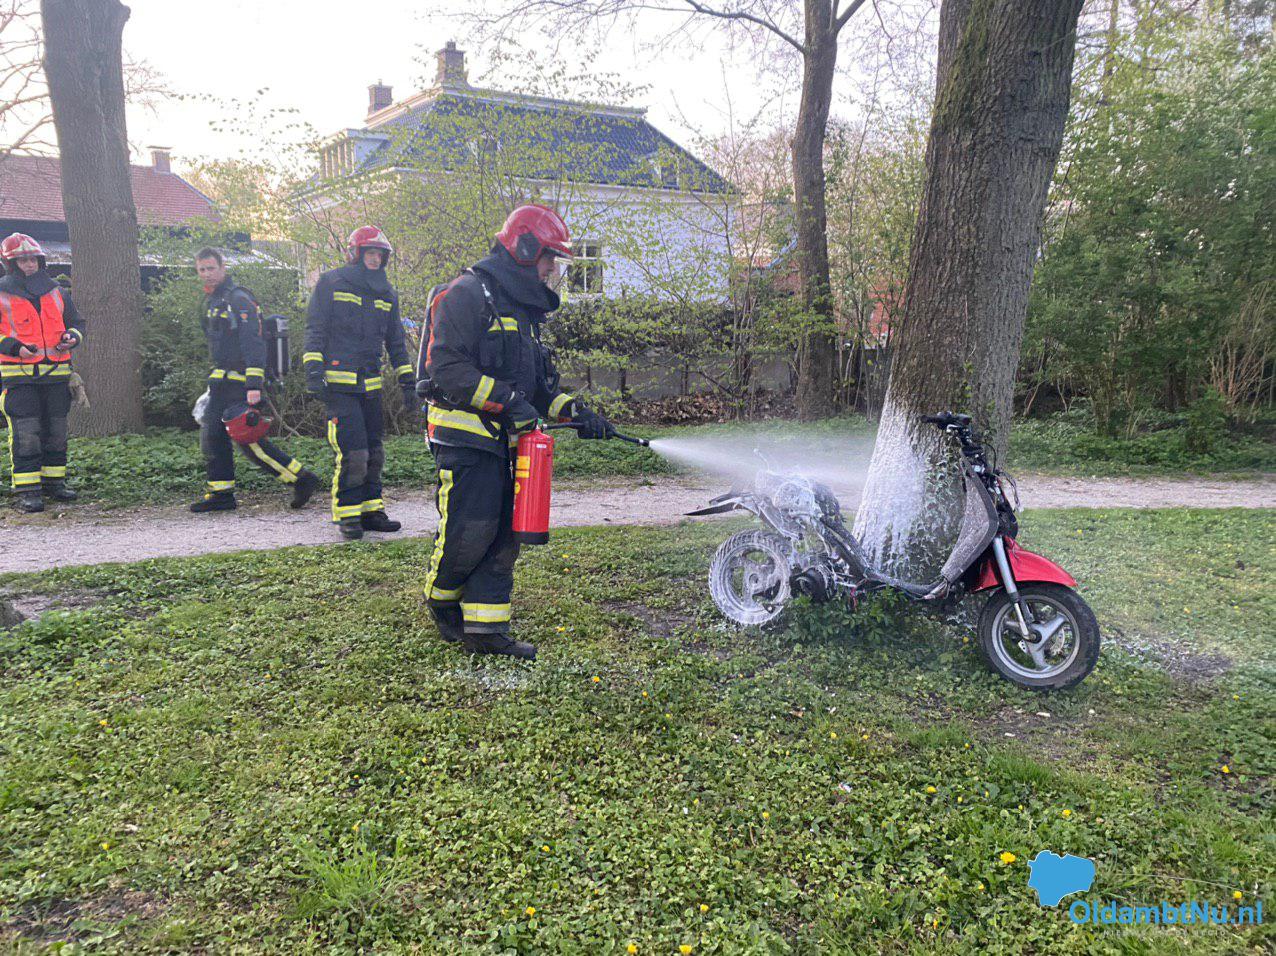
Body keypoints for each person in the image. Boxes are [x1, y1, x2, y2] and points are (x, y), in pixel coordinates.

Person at [417, 204, 614, 659]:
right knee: (472, 526)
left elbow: (537, 389)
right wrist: (509, 403)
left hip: (508, 441)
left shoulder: (523, 311)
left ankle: (486, 629)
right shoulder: (467, 294)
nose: (552, 270)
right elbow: (447, 369)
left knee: (507, 533)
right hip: (464, 434)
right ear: (525, 248)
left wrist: (577, 413)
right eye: (549, 257)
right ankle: (441, 598)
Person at [303, 226, 415, 540]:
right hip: (339, 386)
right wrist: (313, 370)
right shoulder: (331, 283)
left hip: (371, 386)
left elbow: (396, 341)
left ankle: (371, 510)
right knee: (354, 452)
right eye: (370, 253)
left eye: (379, 255)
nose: (375, 259)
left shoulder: (387, 293)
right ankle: (348, 514)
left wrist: (408, 382)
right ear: (355, 253)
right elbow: (315, 329)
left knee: (375, 451)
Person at [191, 247, 320, 513]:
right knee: (213, 436)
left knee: (247, 438)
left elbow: (254, 343)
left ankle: (301, 478)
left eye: (211, 268)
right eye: (202, 269)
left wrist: (254, 385)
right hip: (221, 382)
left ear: (223, 268)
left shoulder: (239, 299)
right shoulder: (212, 301)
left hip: (241, 383)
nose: (207, 274)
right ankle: (221, 494)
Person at [0, 233, 84, 512]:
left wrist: (72, 336)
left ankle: (54, 483)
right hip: (19, 378)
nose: (29, 264)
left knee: (56, 432)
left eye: (33, 259)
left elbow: (77, 323)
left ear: (40, 261)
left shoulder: (57, 292)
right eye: (22, 260)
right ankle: (28, 490)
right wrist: (14, 347)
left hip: (57, 376)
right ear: (11, 264)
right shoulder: (1, 293)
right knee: (26, 434)